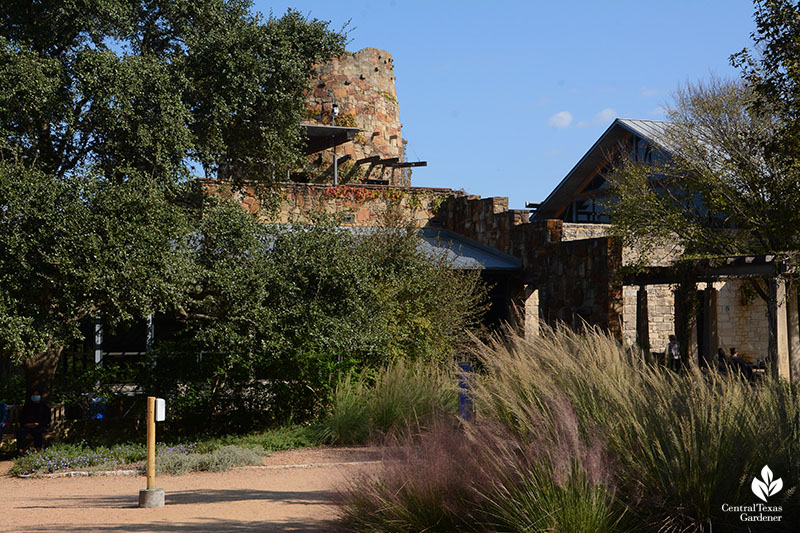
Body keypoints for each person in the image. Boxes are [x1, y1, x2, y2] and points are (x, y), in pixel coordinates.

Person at [16, 390, 50, 455]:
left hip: (39, 426)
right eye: (34, 395)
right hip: (27, 426)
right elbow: (21, 418)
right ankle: (21, 452)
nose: (35, 396)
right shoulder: (27, 406)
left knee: (38, 432)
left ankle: (38, 451)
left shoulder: (44, 407)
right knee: (21, 432)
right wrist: (26, 424)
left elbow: (47, 419)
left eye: (37, 395)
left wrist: (38, 423)